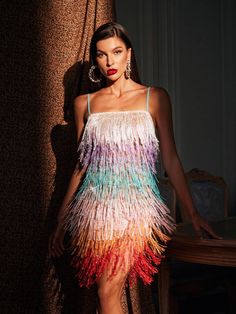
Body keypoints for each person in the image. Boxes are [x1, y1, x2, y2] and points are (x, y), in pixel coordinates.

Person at [49, 22, 220, 314]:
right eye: (101, 55)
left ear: (129, 54)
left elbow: (171, 159)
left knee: (106, 291)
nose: (109, 61)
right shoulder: (84, 104)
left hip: (136, 210)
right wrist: (61, 220)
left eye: (116, 52)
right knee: (104, 295)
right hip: (96, 211)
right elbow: (80, 166)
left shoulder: (154, 98)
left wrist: (193, 214)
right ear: (96, 61)